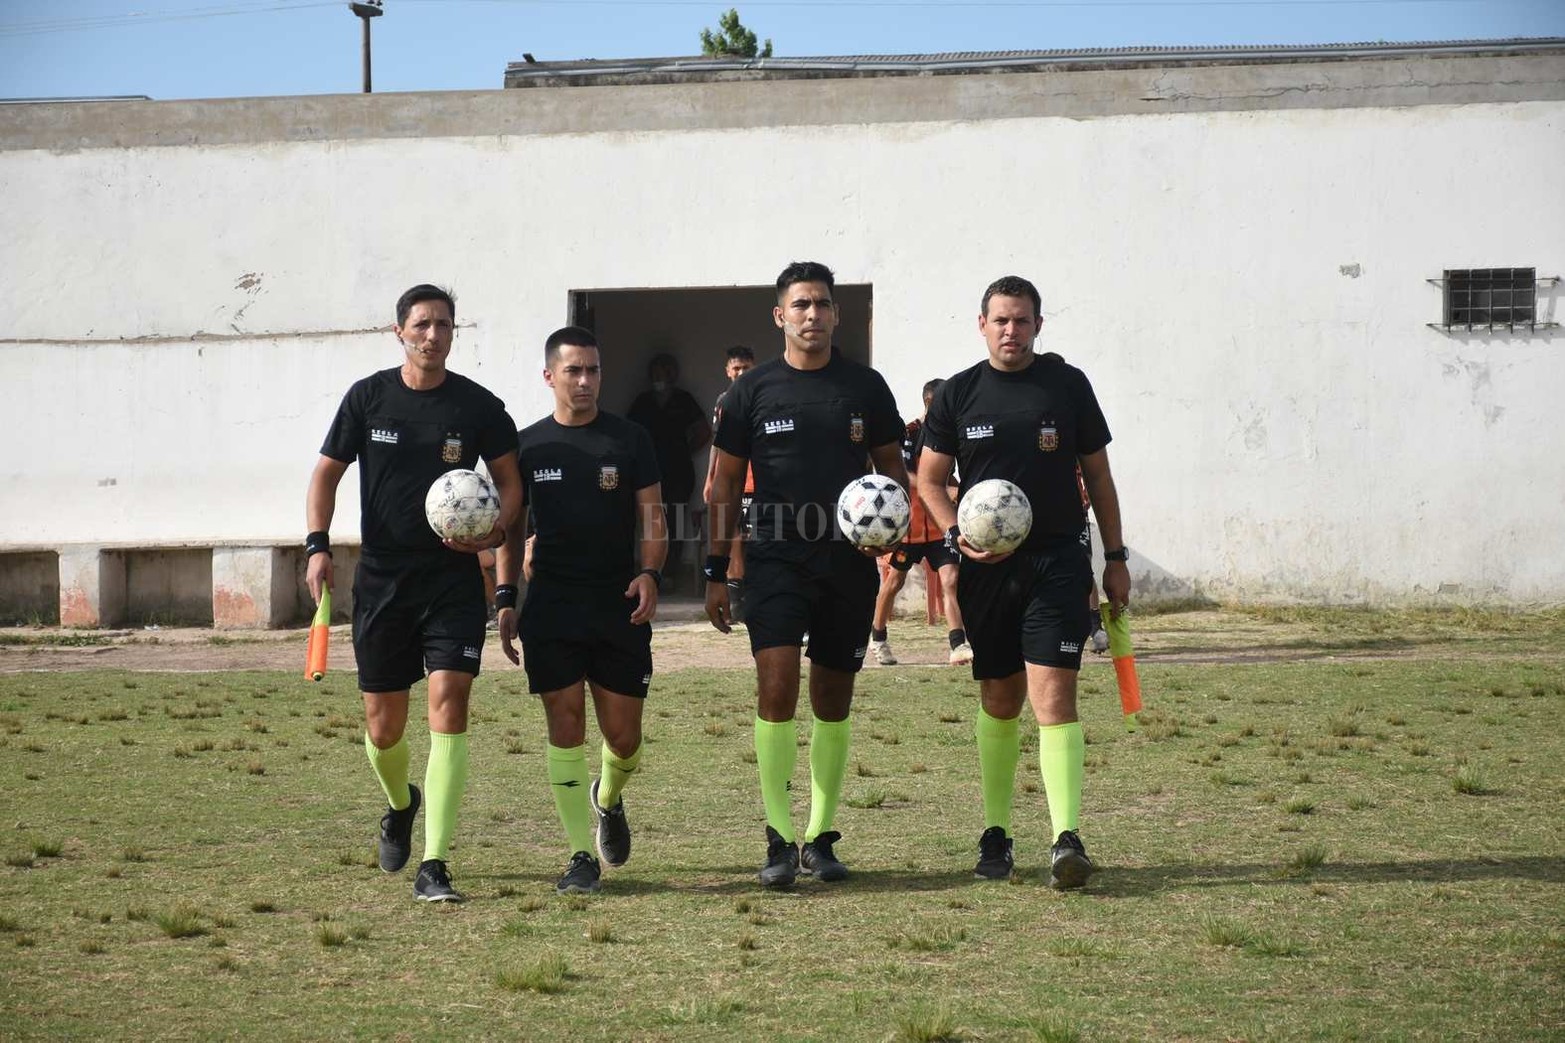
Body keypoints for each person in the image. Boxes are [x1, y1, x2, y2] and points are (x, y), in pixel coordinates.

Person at [305, 283, 522, 904]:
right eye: (423, 324)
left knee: (450, 706)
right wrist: (317, 546)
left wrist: (496, 528)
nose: (434, 335)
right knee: (382, 728)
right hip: (381, 581)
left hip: (452, 583)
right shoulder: (368, 399)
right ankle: (400, 803)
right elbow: (326, 473)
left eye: (445, 325)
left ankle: (435, 863)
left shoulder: (479, 407)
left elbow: (509, 483)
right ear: (399, 330)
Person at [916, 275, 1130, 891]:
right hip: (989, 574)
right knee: (1000, 702)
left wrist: (1113, 558)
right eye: (1001, 320)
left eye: (1023, 320)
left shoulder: (1067, 386)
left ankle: (1066, 837)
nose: (1011, 331)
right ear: (981, 324)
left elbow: (1101, 478)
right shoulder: (958, 394)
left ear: (1039, 325)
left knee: (1054, 699)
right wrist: (957, 535)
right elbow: (929, 480)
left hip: (1057, 562)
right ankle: (996, 832)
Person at [706, 261, 908, 887]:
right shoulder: (751, 392)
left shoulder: (866, 388)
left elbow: (892, 474)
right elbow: (720, 486)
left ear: (835, 314)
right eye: (800, 305)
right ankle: (777, 837)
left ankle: (819, 836)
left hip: (844, 564)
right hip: (773, 560)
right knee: (776, 691)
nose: (812, 315)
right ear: (780, 316)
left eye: (822, 304)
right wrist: (717, 569)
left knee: (832, 698)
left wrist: (888, 531)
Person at [495, 326, 667, 896]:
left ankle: (608, 799)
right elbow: (511, 528)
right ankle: (577, 856)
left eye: (593, 370)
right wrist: (505, 598)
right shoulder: (527, 446)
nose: (585, 381)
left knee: (624, 739)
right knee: (564, 726)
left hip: (618, 606)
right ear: (549, 376)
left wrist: (649, 572)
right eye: (573, 371)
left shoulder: (631, 439)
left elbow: (652, 517)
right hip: (552, 607)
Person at [868, 377, 972, 667]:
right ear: (931, 403)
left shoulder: (952, 433)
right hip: (909, 526)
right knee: (894, 581)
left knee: (951, 579)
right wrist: (944, 488)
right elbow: (903, 473)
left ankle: (957, 643)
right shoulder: (909, 433)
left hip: (940, 524)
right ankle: (878, 637)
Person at [628, 352, 711, 585]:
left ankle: (671, 573)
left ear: (673, 375)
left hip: (678, 472)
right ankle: (650, 572)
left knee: (675, 522)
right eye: (655, 373)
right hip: (648, 473)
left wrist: (685, 450)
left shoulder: (684, 400)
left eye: (664, 372)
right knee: (650, 521)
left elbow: (704, 431)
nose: (659, 377)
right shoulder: (642, 402)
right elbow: (628, 434)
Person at [702, 346, 757, 616]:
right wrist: (710, 478)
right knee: (733, 535)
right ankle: (736, 597)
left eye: (746, 367)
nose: (741, 373)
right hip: (732, 480)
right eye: (736, 368)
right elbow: (717, 443)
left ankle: (757, 593)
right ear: (728, 371)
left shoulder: (763, 396)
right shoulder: (723, 401)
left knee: (758, 537)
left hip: (758, 482)